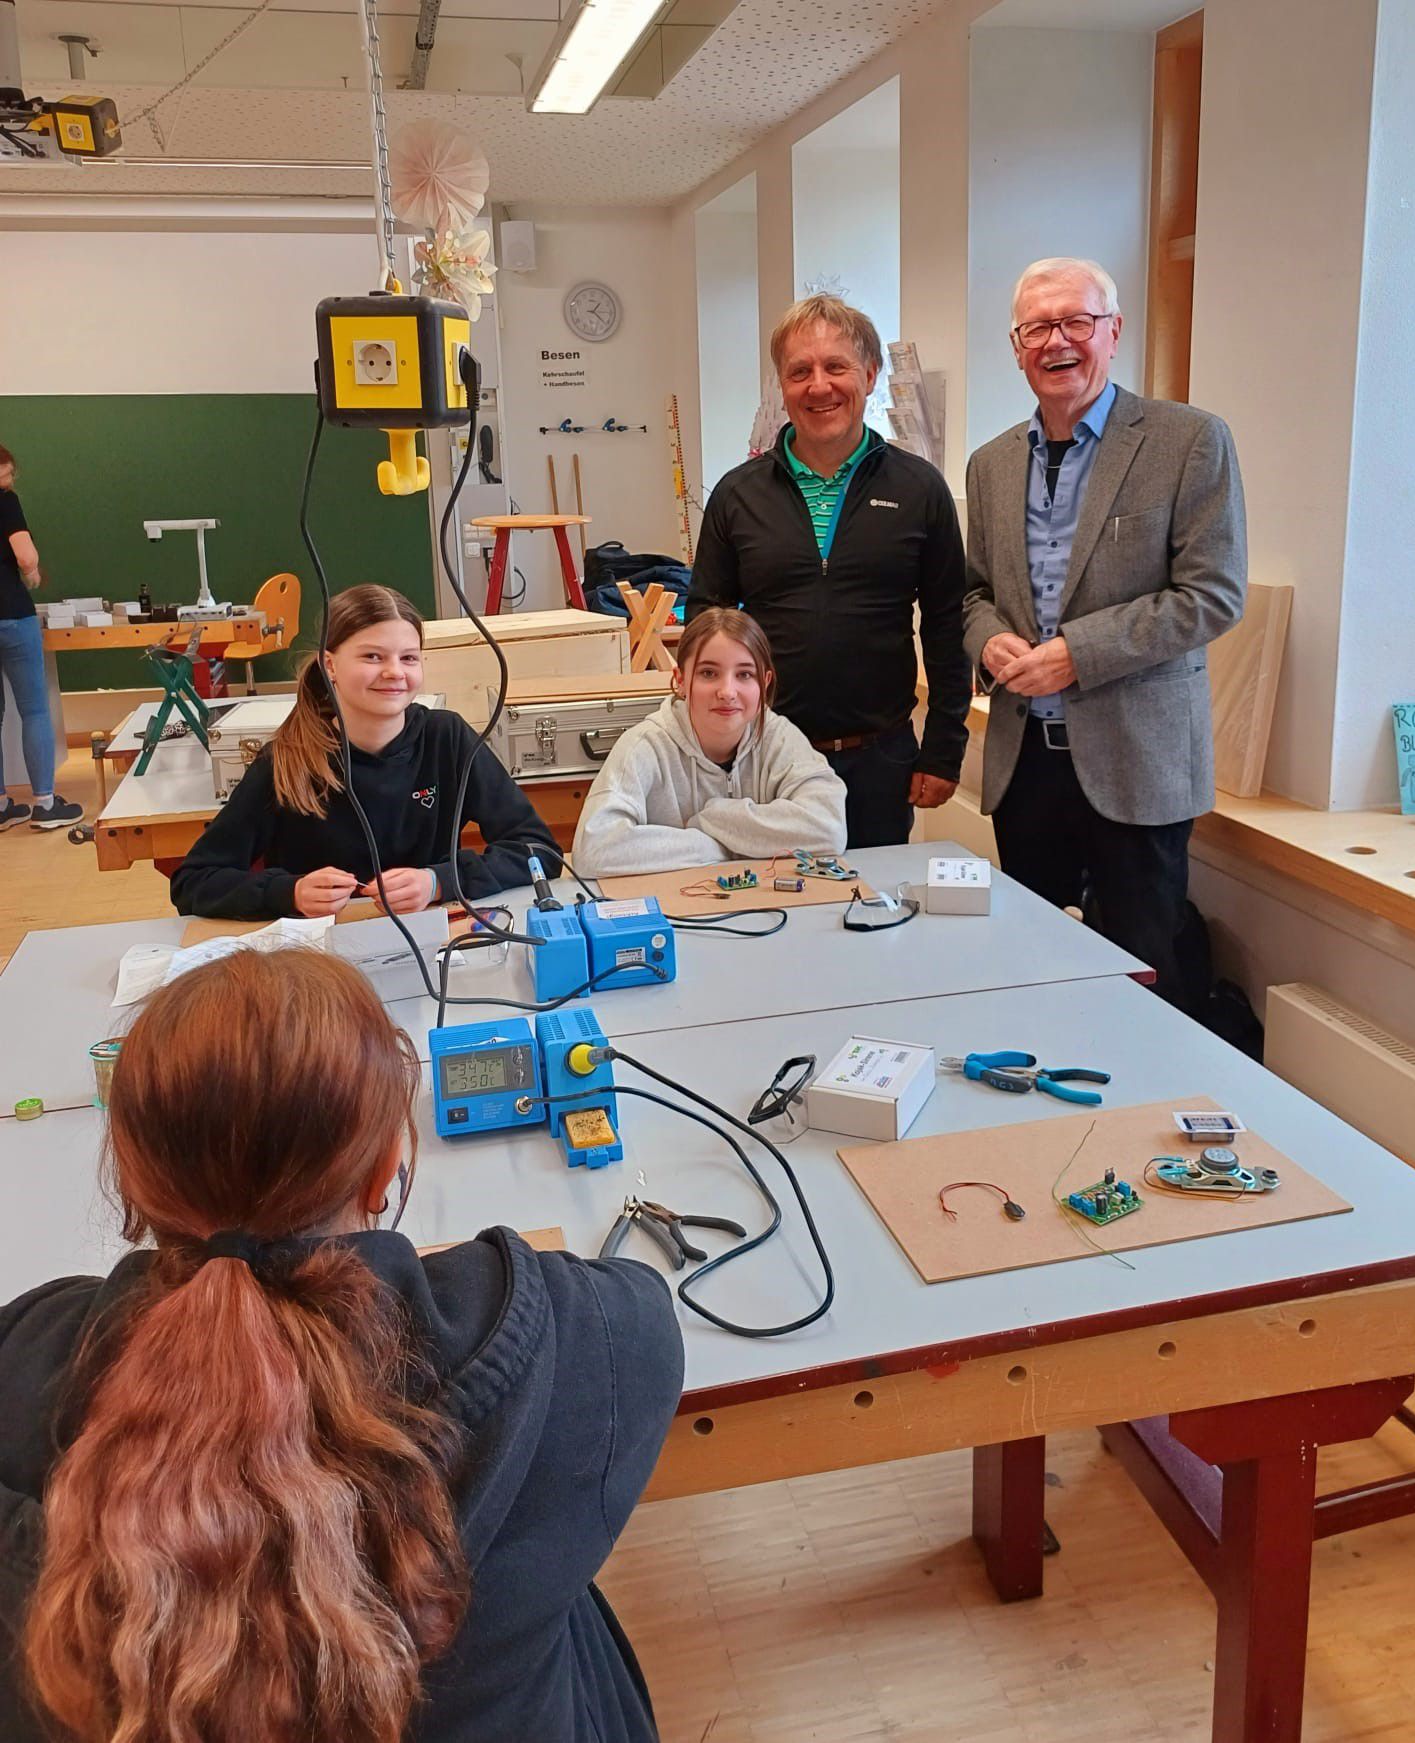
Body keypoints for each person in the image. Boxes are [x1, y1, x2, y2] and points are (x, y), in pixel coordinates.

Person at [0, 947, 684, 1743]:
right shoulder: (581, 1340)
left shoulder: (24, 1363)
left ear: (137, 1188)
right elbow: (641, 1309)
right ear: (385, 1168)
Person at [962, 257, 1247, 1010]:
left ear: (1113, 331)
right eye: (1038, 327)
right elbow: (972, 591)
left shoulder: (1189, 441)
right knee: (1030, 968)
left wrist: (1076, 656)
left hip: (1138, 765)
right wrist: (986, 639)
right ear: (1017, 346)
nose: (1058, 341)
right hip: (1025, 767)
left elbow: (1212, 596)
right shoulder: (990, 465)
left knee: (1143, 978)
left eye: (1076, 322)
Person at [686, 295, 969, 850]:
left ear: (869, 374)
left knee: (873, 919)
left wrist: (943, 748)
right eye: (800, 371)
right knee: (769, 917)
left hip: (880, 761)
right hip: (763, 758)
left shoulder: (919, 490)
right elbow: (705, 622)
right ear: (781, 386)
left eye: (836, 367)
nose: (819, 386)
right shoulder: (737, 494)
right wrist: (714, 737)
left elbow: (946, 627)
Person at [171, 584, 558, 919]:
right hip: (321, 960)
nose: (394, 672)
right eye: (373, 657)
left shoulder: (447, 738)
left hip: (433, 945)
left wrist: (438, 881)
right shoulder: (287, 759)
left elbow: (540, 851)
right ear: (331, 665)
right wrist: (289, 893)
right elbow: (195, 881)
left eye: (408, 658)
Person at [573, 606, 846, 876]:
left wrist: (713, 819)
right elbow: (594, 849)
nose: (727, 692)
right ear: (680, 680)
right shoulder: (643, 746)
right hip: (676, 912)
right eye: (708, 673)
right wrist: (718, 846)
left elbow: (829, 828)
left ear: (764, 683)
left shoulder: (780, 737)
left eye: (744, 675)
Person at [0, 445, 83, 831]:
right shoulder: (6, 502)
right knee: (33, 709)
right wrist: (31, 573)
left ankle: (2, 805)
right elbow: (27, 557)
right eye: (8, 472)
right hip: (12, 616)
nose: (11, 480)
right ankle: (45, 804)